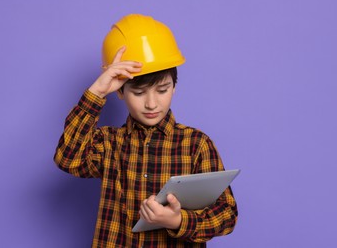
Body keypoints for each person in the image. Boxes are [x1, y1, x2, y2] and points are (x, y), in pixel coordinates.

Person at [54, 14, 238, 247]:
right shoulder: (109, 143)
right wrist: (97, 92)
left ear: (175, 87)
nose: (152, 104)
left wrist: (178, 220)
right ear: (120, 92)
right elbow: (68, 159)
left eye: (162, 90)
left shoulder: (196, 144)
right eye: (139, 93)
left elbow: (227, 214)